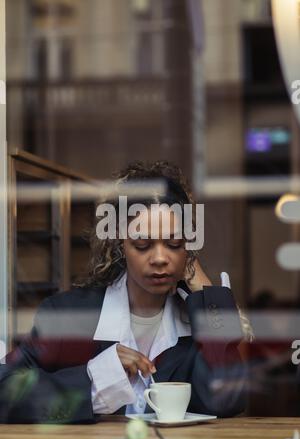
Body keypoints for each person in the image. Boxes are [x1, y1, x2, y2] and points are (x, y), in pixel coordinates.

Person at [0, 161, 247, 424]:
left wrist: (207, 292)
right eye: (143, 244)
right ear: (120, 241)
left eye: (174, 243)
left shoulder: (198, 321)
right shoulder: (66, 315)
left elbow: (228, 400)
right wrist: (99, 378)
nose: (160, 258)